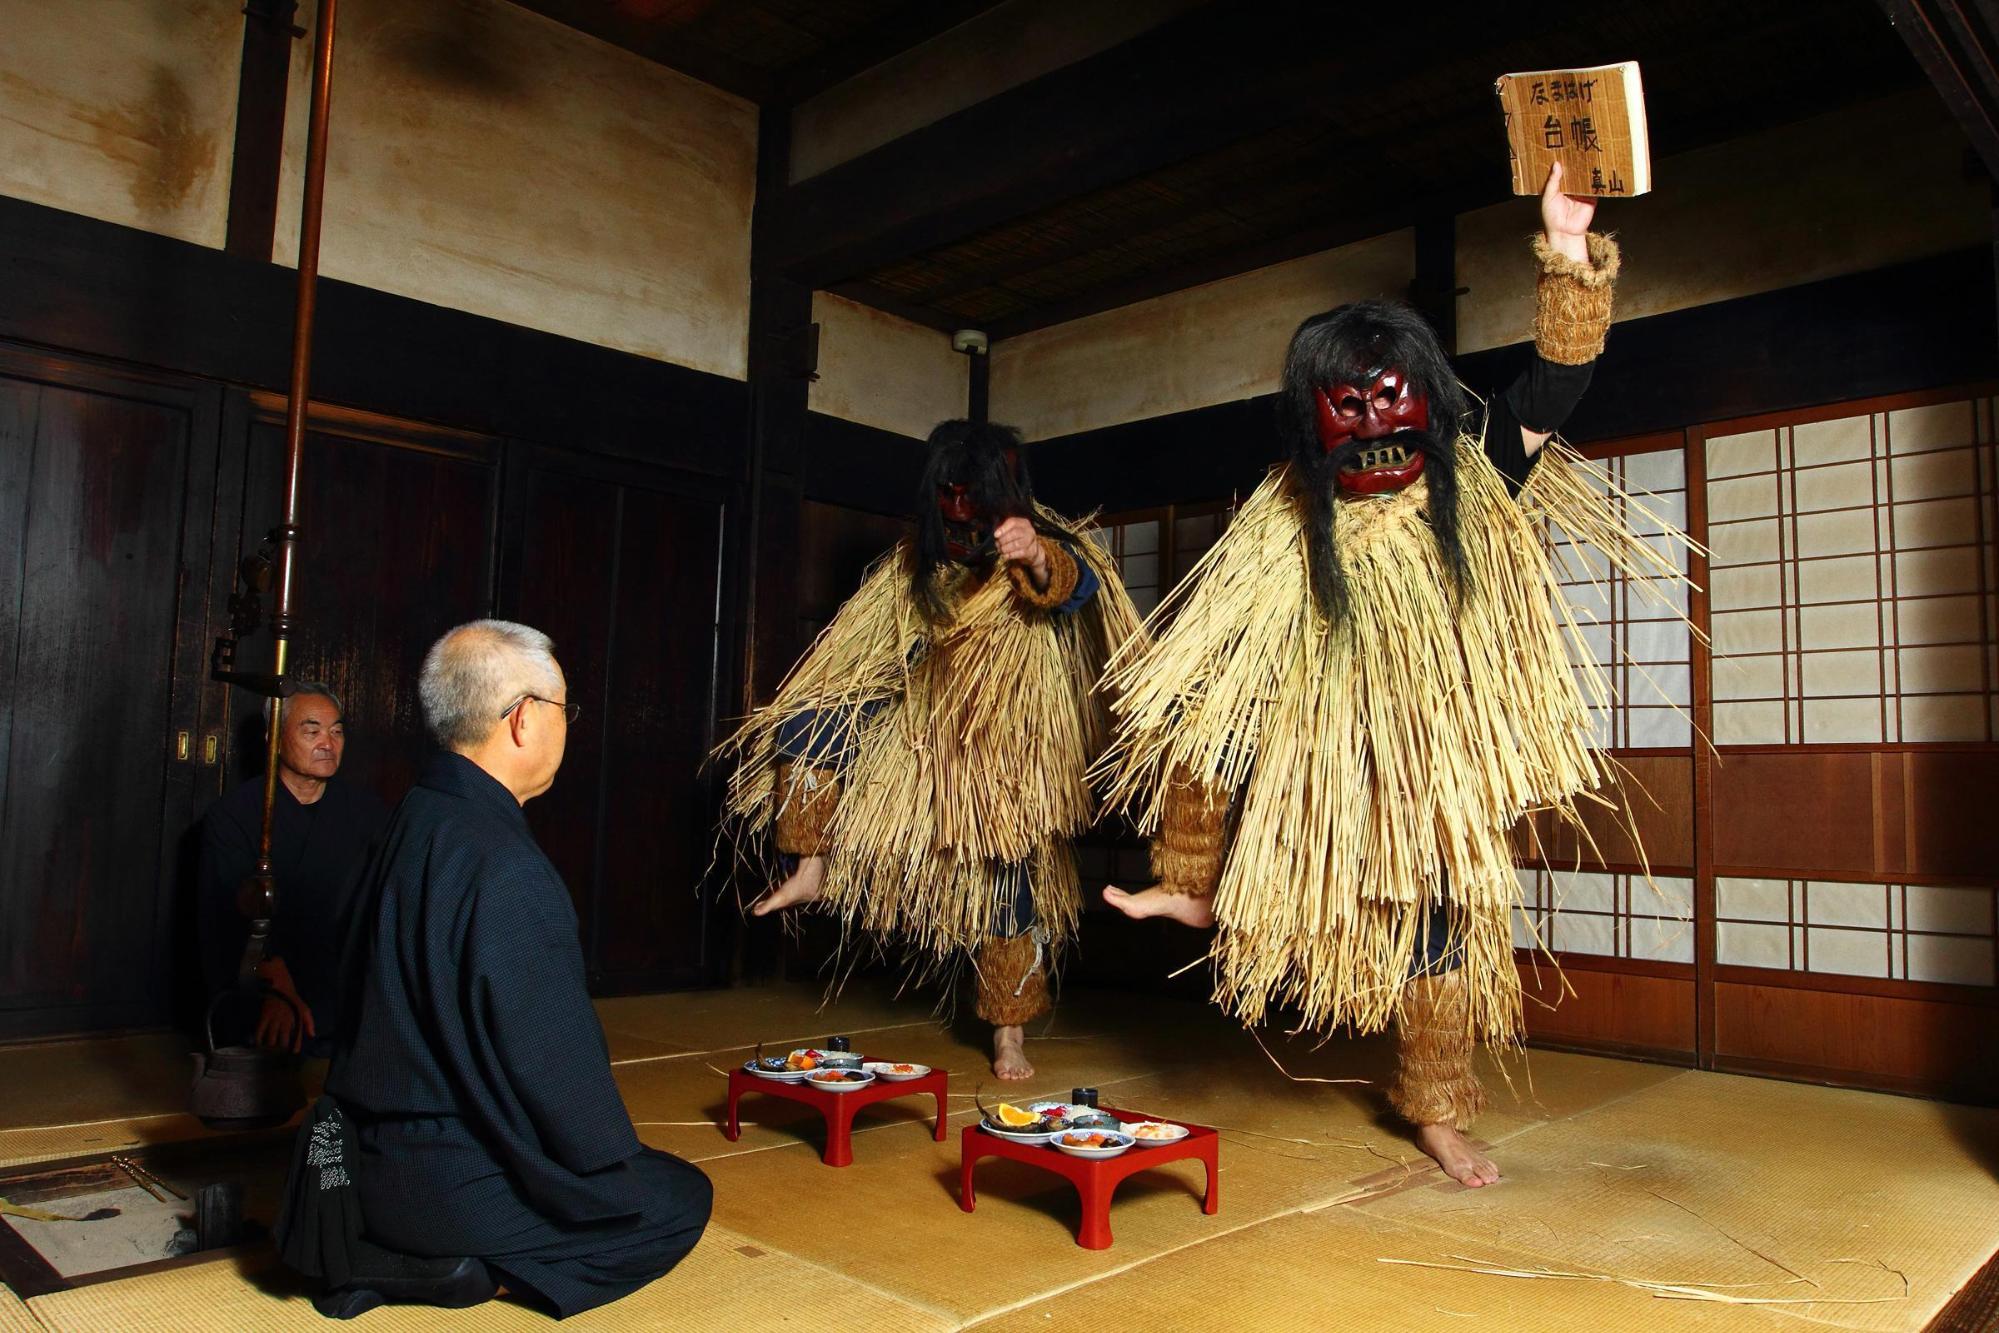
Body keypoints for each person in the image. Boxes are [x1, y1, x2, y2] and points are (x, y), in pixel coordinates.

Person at [1096, 164, 1689, 1186]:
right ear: (1311, 417)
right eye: (1344, 407)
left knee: (1445, 941)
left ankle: (1437, 1108)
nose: (1372, 423)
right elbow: (1218, 659)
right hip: (1314, 734)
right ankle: (1194, 888)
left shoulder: (1476, 468)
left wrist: (1567, 252)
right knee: (1189, 727)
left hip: (1426, 759)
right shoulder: (1285, 512)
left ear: (1423, 394)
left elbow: (1555, 382)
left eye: (1388, 397)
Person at [719, 420, 1143, 1081]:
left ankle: (1008, 1030)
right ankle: (810, 863)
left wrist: (1032, 555)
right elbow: (874, 650)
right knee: (807, 722)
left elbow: (1074, 589)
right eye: (951, 492)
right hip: (918, 727)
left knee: (1009, 886)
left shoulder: (1044, 542)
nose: (965, 509)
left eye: (979, 492)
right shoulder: (917, 561)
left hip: (1006, 746)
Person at [310, 620, 710, 1318]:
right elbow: (556, 1071)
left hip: (354, 1162)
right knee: (678, 1199)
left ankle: (410, 1249)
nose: (568, 725)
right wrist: (607, 1169)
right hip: (451, 1187)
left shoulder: (404, 820)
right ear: (523, 717)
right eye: (565, 708)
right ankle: (462, 1272)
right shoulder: (506, 866)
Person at [198, 685, 386, 1056]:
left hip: (343, 979)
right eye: (311, 730)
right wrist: (275, 982)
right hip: (264, 975)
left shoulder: (367, 813)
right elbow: (223, 915)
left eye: (337, 731)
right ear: (274, 738)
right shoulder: (237, 815)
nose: (327, 743)